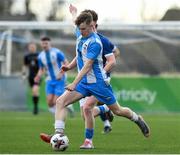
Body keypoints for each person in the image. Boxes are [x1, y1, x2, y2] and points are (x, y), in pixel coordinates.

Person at [40, 12, 150, 149]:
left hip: (98, 83)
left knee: (118, 111)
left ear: (92, 26)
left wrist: (74, 83)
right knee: (61, 102)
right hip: (84, 82)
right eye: (79, 29)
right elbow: (79, 56)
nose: (81, 31)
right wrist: (68, 67)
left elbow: (87, 66)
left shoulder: (96, 42)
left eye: (83, 29)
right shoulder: (81, 36)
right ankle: (58, 135)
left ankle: (136, 118)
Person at [69, 4, 120, 134]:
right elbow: (80, 55)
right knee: (84, 114)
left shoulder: (102, 41)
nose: (83, 27)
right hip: (85, 78)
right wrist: (73, 13)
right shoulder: (83, 36)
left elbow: (114, 55)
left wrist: (103, 71)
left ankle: (89, 140)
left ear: (94, 23)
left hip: (98, 77)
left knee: (88, 108)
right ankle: (106, 110)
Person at [34, 36, 74, 115]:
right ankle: (67, 107)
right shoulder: (40, 56)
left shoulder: (57, 52)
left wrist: (61, 73)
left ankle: (58, 120)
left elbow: (66, 63)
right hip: (49, 80)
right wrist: (38, 76)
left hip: (60, 79)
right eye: (43, 44)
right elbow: (41, 69)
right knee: (49, 102)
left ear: (50, 43)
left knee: (56, 101)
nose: (44, 45)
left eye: (46, 43)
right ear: (41, 44)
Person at [22, 42, 40, 115]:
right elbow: (25, 66)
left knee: (35, 90)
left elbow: (43, 65)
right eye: (30, 47)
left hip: (37, 76)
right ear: (29, 48)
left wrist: (41, 74)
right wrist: (23, 75)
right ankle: (35, 106)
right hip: (30, 76)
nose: (32, 48)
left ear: (35, 47)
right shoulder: (27, 56)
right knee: (34, 92)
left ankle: (35, 108)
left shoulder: (39, 55)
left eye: (33, 46)